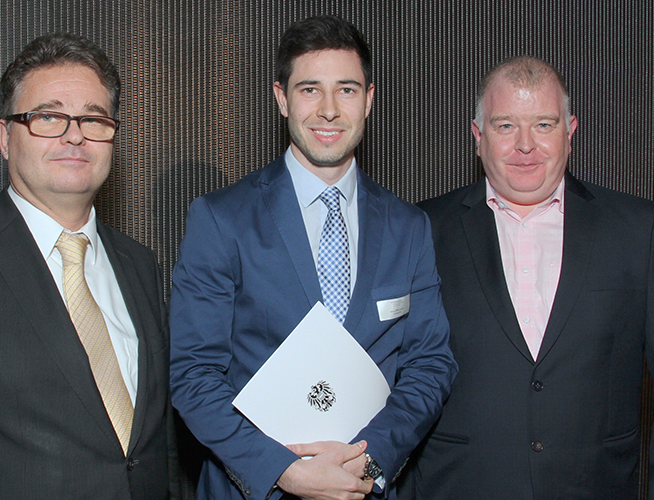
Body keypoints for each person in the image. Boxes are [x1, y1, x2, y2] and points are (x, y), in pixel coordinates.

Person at [169, 15, 457, 500]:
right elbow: (194, 375)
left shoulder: (408, 227)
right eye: (309, 90)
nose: (328, 110)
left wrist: (370, 461)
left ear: (369, 99)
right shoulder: (221, 220)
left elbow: (430, 365)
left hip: (367, 485)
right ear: (282, 98)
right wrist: (282, 470)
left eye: (346, 90)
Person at [0, 33, 179, 499]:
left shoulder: (139, 264)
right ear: (5, 137)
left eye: (93, 118)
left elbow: (157, 446)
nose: (74, 135)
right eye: (48, 117)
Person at [403, 56, 654, 499]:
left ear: (570, 132)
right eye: (505, 126)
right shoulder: (420, 229)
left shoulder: (636, 228)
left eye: (543, 125)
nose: (525, 145)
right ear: (478, 137)